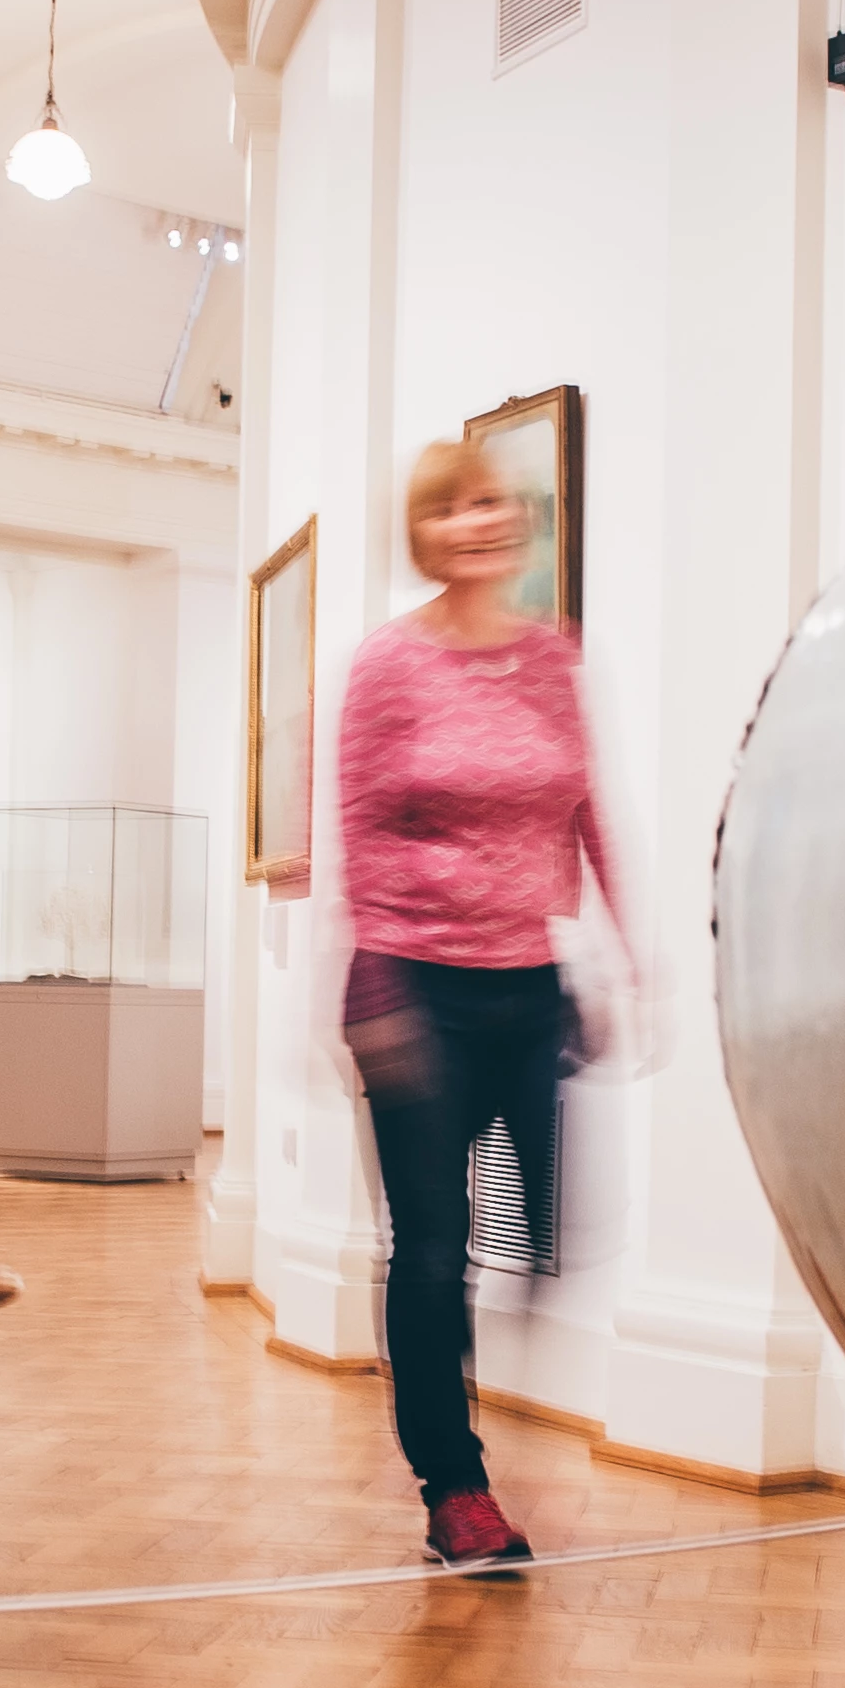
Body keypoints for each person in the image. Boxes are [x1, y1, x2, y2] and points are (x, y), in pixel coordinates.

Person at [335, 437, 634, 1568]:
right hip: (413, 977)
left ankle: (447, 1367)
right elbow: (356, 828)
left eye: (494, 502)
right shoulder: (387, 665)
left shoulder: (554, 657)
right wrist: (370, 991)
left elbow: (587, 804)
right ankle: (452, 1486)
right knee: (430, 1246)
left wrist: (621, 953)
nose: (479, 521)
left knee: (546, 1232)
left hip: (528, 977)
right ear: (424, 532)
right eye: (452, 507)